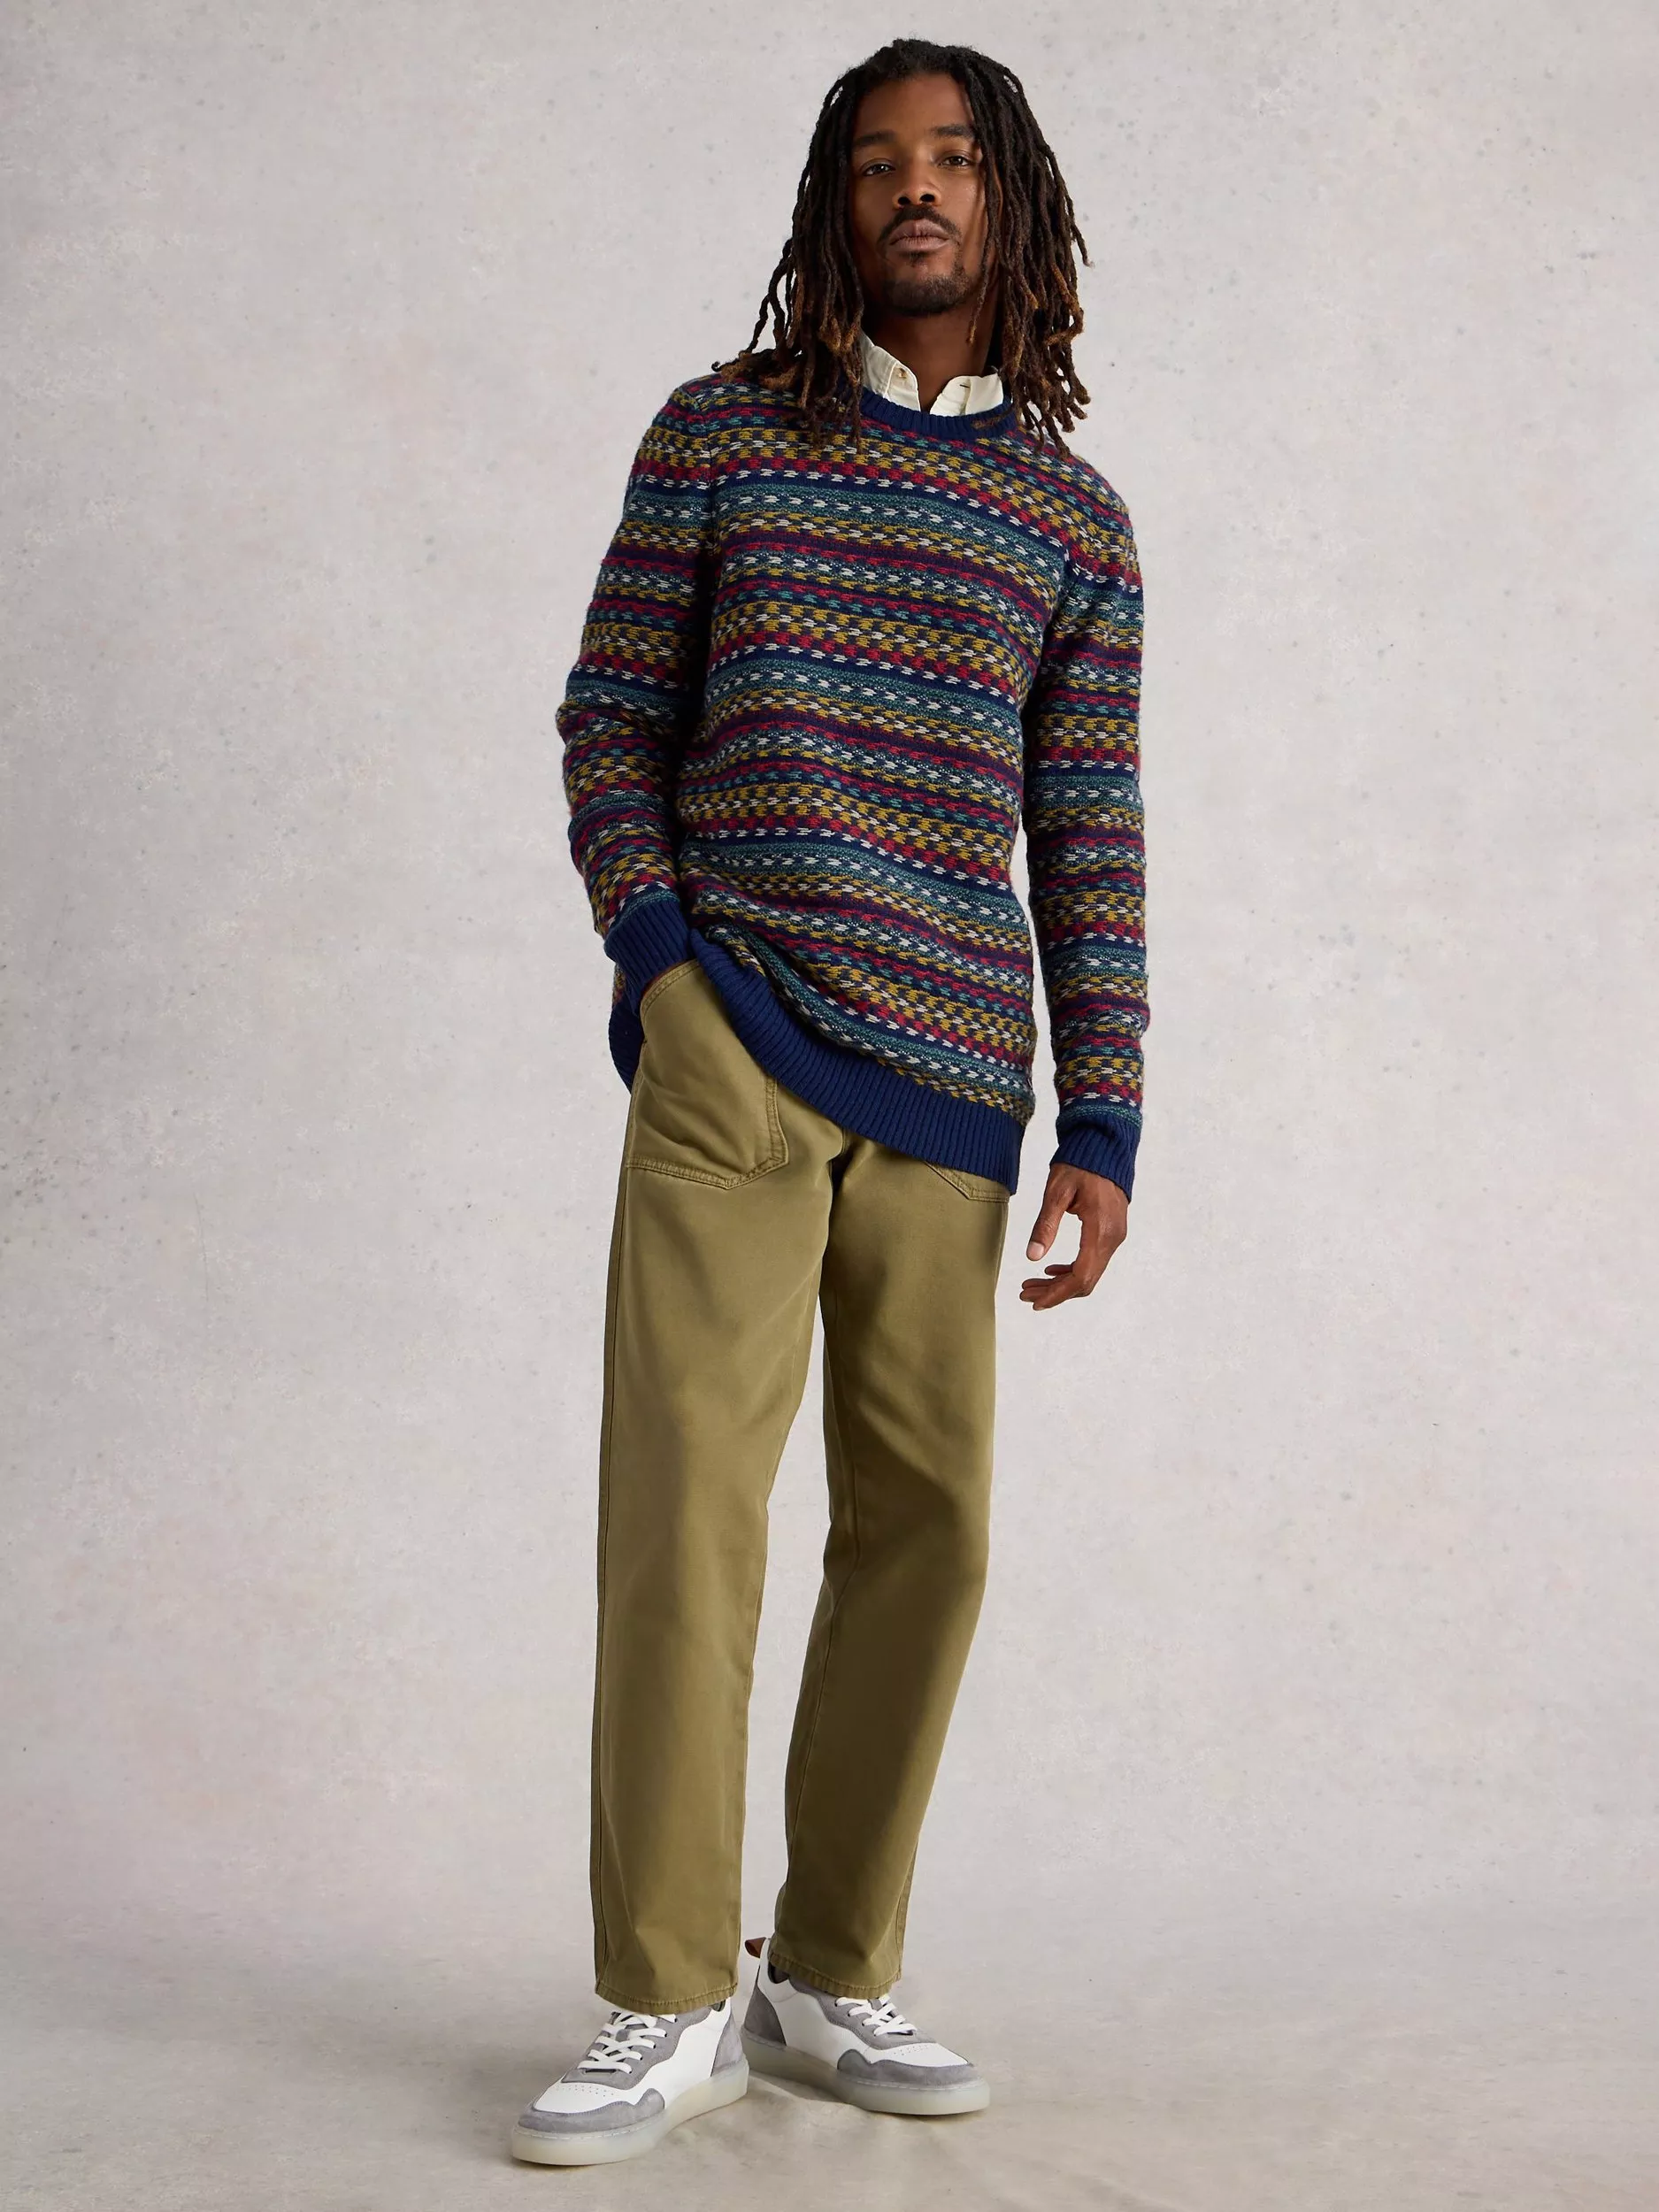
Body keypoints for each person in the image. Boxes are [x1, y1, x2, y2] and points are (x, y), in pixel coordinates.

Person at [511, 35, 1147, 2168]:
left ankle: (826, 1966)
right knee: (683, 1517)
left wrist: (1105, 1122)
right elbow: (609, 716)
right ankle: (663, 1994)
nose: (916, 191)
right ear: (832, 205)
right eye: (878, 163)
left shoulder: (1072, 519)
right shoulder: (719, 436)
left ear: (1011, 203)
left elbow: (1088, 831)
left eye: (952, 159)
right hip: (733, 1054)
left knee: (930, 1535)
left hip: (955, 1085)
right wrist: (660, 966)